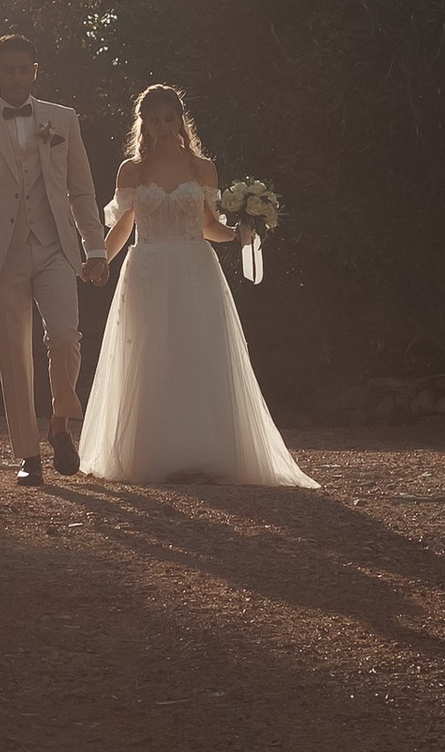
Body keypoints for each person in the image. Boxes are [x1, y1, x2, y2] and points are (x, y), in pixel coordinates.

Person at [78, 80, 317, 490]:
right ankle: (155, 455)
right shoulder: (131, 170)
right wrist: (100, 259)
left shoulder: (201, 168)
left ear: (180, 120)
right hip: (148, 270)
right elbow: (123, 226)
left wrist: (242, 232)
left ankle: (204, 453)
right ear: (144, 124)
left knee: (197, 354)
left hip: (194, 267)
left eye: (169, 118)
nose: (163, 126)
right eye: (154, 120)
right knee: (151, 355)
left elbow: (209, 226)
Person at [0, 35, 110, 485]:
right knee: (14, 353)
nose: (17, 77)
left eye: (24, 69)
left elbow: (81, 188)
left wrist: (96, 246)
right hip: (1, 253)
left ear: (35, 70)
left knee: (67, 336)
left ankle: (60, 423)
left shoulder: (63, 119)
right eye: (7, 69)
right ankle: (28, 456)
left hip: (55, 246)